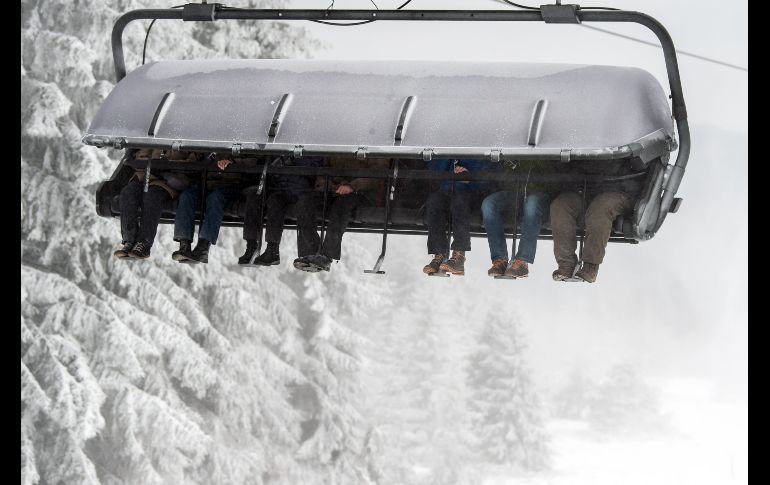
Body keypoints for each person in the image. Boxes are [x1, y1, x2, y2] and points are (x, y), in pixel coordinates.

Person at [549, 159, 642, 283]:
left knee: (600, 207)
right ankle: (566, 264)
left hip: (621, 190)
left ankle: (591, 266)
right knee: (561, 205)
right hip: (588, 190)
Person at [293, 156, 390, 272]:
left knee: (340, 207)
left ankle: (326, 256)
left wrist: (353, 186)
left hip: (361, 192)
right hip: (333, 189)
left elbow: (378, 174)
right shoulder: (338, 143)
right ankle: (311, 251)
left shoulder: (376, 148)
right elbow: (324, 169)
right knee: (305, 202)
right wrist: (327, 185)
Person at [172, 154, 260, 264]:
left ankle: (203, 248)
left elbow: (253, 159)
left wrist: (232, 162)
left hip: (232, 183)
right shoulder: (210, 140)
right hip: (208, 182)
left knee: (215, 199)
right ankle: (184, 245)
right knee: (186, 196)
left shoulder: (243, 140)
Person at [113, 148, 200, 259]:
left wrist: (170, 165)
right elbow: (139, 155)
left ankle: (144, 243)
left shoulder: (185, 139)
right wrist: (149, 161)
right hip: (143, 177)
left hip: (167, 182)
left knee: (152, 196)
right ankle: (129, 240)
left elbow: (193, 161)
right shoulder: (154, 136)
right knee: (128, 193)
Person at [238, 155, 324, 266]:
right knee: (274, 201)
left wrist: (292, 162)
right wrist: (276, 168)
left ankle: (312, 252)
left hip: (303, 190)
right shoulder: (281, 149)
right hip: (282, 188)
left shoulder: (310, 148)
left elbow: (314, 166)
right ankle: (271, 249)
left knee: (303, 207)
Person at [422, 158, 498, 276]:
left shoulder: (481, 150)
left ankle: (459, 256)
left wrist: (469, 177)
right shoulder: (447, 148)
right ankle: (439, 254)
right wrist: (450, 166)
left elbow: (489, 178)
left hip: (471, 193)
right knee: (434, 202)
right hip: (446, 190)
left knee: (460, 201)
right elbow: (433, 167)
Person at [481, 160, 556, 278]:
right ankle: (500, 260)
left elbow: (553, 171)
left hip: (540, 193)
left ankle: (522, 261)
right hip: (515, 191)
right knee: (489, 204)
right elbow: (500, 173)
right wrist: (512, 167)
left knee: (532, 204)